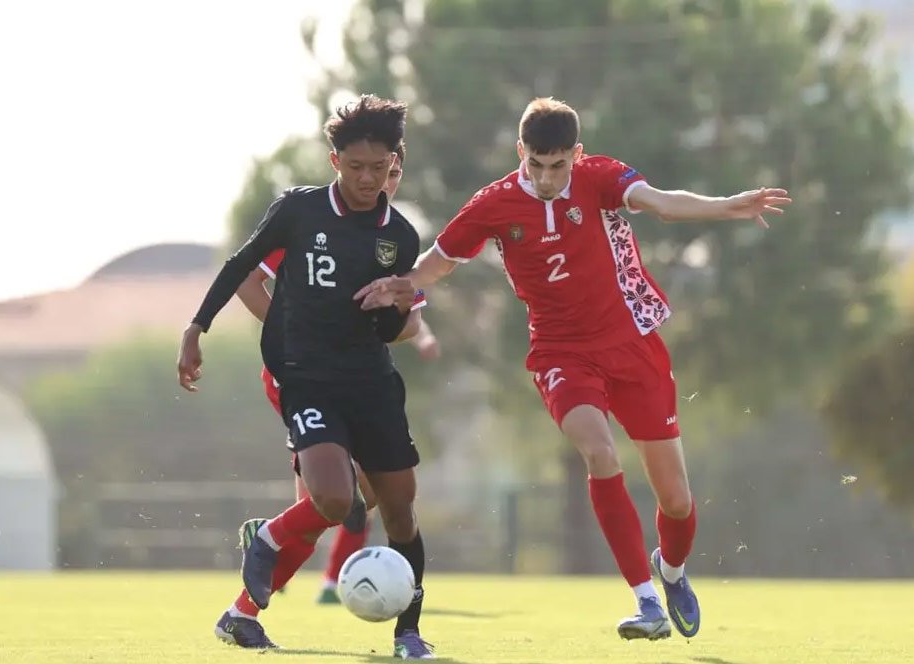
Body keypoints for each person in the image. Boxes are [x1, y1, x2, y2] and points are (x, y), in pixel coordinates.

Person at [356, 97, 791, 642]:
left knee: (676, 500)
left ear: (575, 156)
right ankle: (645, 600)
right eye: (535, 164)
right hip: (561, 353)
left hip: (632, 345)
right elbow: (440, 259)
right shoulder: (493, 205)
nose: (545, 176)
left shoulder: (601, 177)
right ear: (521, 152)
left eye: (557, 165)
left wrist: (729, 206)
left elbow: (661, 204)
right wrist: (405, 284)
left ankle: (672, 572)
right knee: (598, 450)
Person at [177, 94, 435, 660]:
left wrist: (395, 308)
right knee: (335, 500)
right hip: (306, 378)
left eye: (379, 167)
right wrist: (198, 326)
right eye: (355, 166)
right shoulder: (300, 210)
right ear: (333, 159)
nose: (367, 179)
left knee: (399, 510)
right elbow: (241, 265)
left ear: (396, 160)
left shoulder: (402, 237)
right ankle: (267, 538)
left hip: (371, 382)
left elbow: (393, 330)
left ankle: (408, 633)